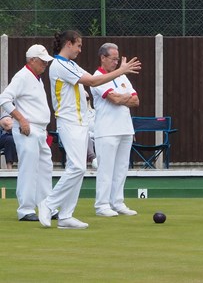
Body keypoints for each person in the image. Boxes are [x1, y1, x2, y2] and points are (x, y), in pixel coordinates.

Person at [38, 30, 141, 229]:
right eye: (78, 45)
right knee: (77, 167)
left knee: (77, 168)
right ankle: (49, 204)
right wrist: (122, 70)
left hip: (80, 122)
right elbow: (93, 81)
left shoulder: (71, 64)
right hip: (69, 121)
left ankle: (66, 215)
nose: (80, 49)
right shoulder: (59, 65)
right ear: (68, 44)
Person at [0, 44, 58, 221]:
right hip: (28, 129)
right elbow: (4, 99)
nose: (45, 64)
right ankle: (25, 209)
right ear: (32, 60)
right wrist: (22, 119)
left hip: (39, 129)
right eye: (42, 61)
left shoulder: (36, 77)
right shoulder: (23, 76)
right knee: (29, 169)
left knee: (45, 169)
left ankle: (46, 206)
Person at [91, 43, 139, 217]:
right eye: (113, 59)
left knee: (121, 168)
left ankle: (117, 202)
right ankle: (102, 205)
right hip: (107, 130)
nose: (116, 63)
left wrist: (122, 98)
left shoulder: (122, 77)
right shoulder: (97, 77)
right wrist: (124, 98)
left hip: (125, 128)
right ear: (103, 58)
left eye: (117, 60)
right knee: (106, 169)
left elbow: (136, 100)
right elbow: (114, 99)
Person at [85, 91, 97, 169]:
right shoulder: (72, 113)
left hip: (95, 138)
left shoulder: (95, 113)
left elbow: (99, 129)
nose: (84, 100)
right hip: (77, 138)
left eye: (86, 98)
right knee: (86, 134)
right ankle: (93, 158)